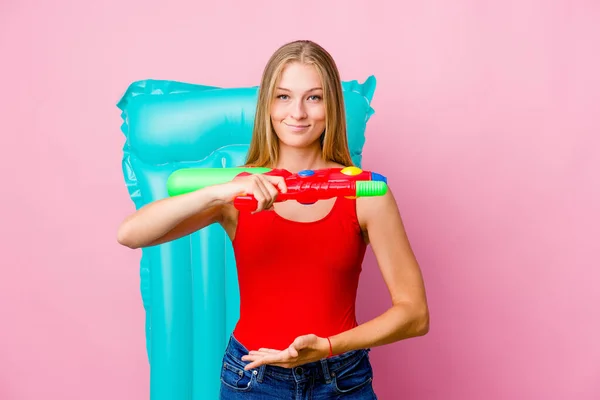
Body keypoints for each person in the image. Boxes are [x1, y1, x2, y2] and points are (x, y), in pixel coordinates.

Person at [117, 40, 429, 399]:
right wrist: (221, 191)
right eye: (283, 97)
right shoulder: (237, 193)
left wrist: (328, 346)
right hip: (253, 380)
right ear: (267, 104)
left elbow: (415, 314)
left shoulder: (364, 193)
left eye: (314, 97)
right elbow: (130, 233)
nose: (297, 112)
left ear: (332, 107)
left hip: (342, 380)